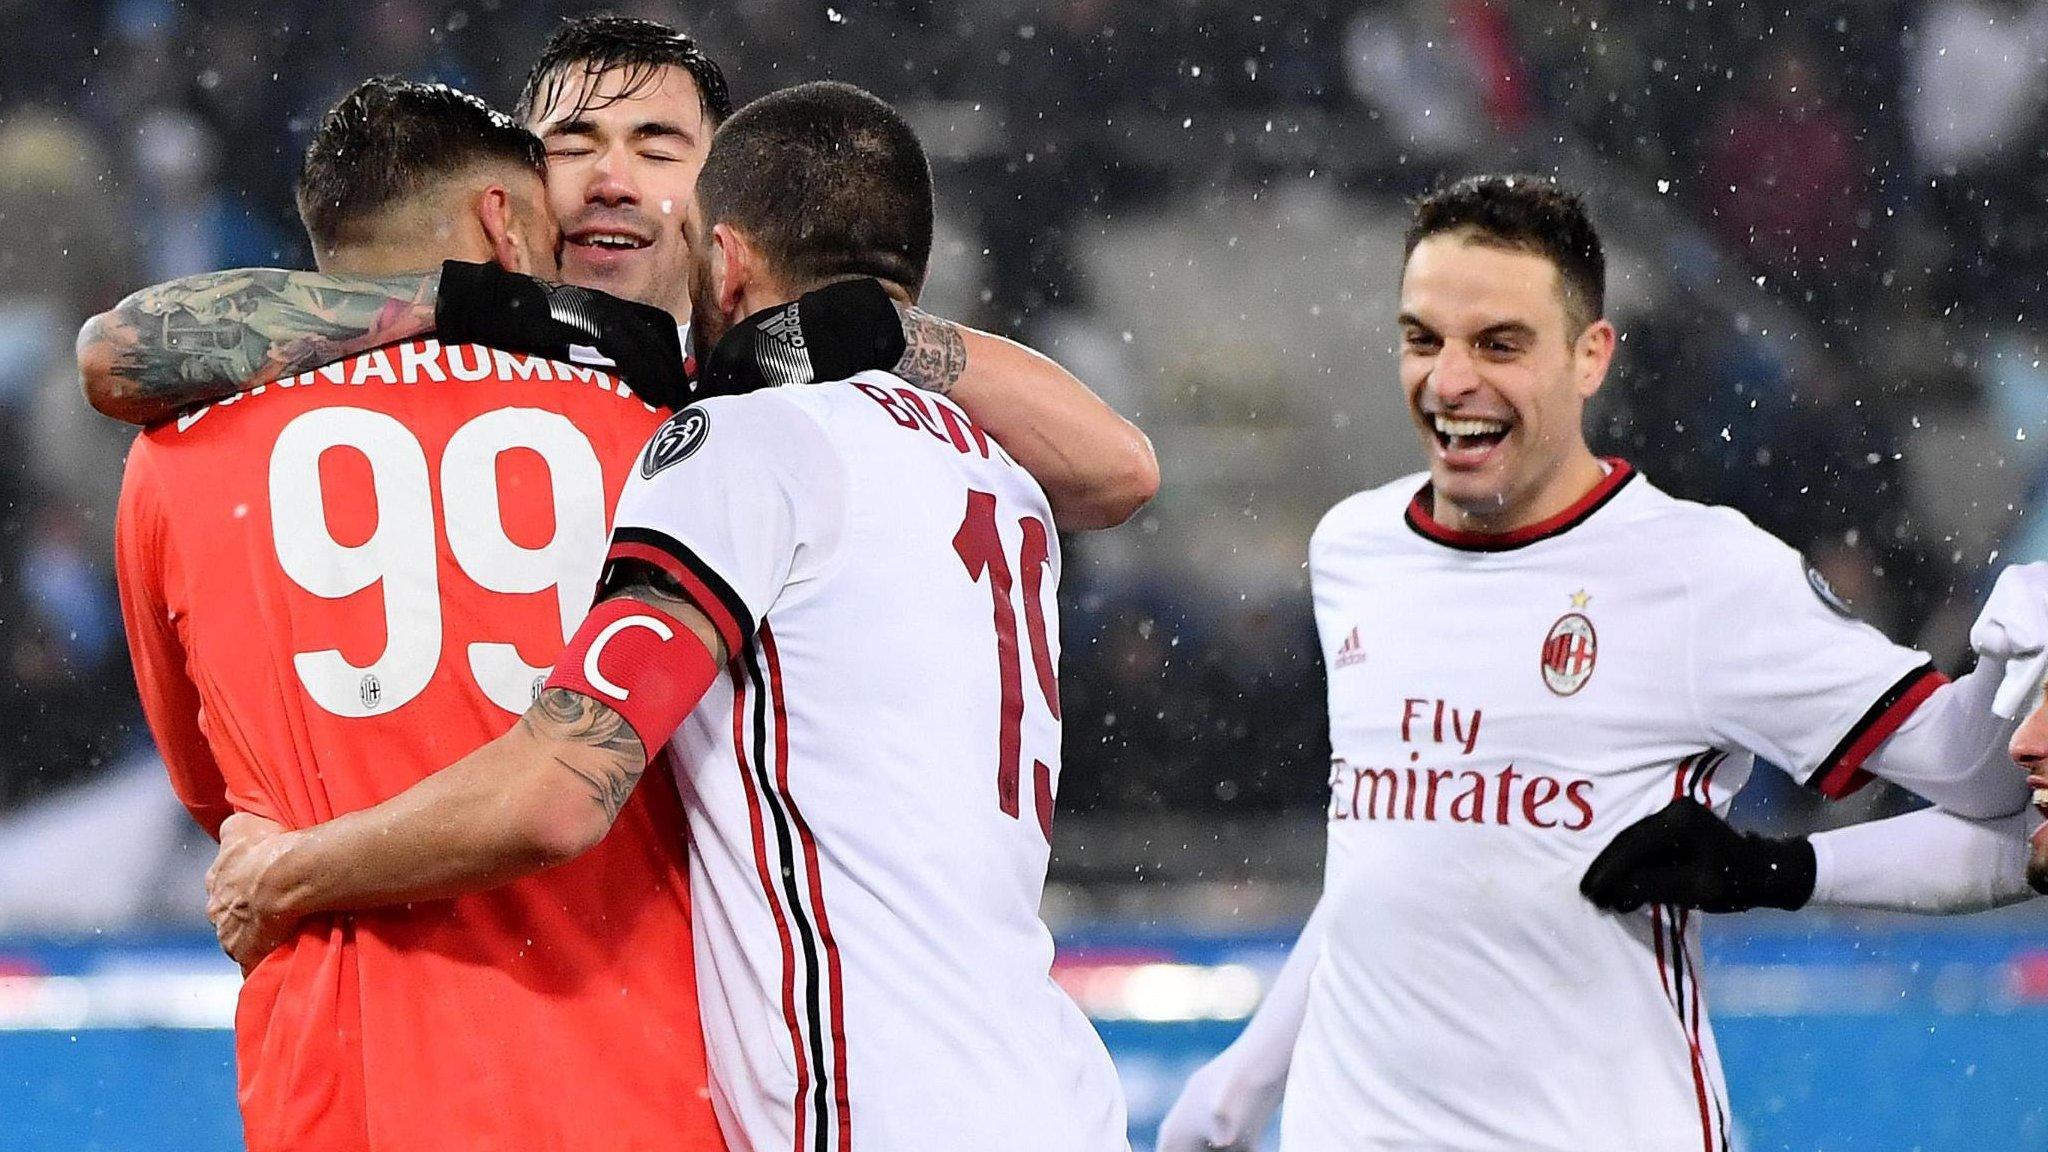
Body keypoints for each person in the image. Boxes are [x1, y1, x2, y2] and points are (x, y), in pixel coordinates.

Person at [204, 81, 1131, 1152]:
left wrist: (286, 873)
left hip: (875, 1107)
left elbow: (560, 789)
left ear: (725, 259)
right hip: (1050, 1091)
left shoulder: (749, 445)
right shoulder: (988, 461)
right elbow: (1123, 469)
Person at [1154, 174, 2036, 1152]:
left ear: (1589, 357)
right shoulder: (1354, 548)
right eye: (1421, 338)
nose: (1449, 381)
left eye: (1498, 344)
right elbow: (1387, 861)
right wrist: (1240, 1081)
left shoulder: (1701, 576)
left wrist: (1771, 869)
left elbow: (2001, 807)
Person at [115, 78, 721, 1152]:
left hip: (341, 1089)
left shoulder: (177, 458)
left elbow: (225, 806)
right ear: (502, 220)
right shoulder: (665, 437)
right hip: (636, 1077)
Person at [76, 14, 1158, 530]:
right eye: (575, 144)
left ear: (721, 192)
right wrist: (488, 307)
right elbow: (126, 351)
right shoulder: (444, 358)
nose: (609, 179)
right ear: (520, 191)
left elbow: (1114, 473)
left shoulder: (802, 374)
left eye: (656, 147)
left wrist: (859, 333)